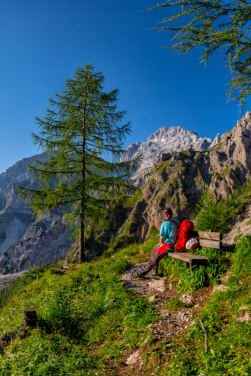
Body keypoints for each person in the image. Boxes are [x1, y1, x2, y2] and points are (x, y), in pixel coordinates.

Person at [135, 208, 180, 278]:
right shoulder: (176, 221)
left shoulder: (165, 224)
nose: (163, 216)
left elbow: (161, 238)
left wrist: (160, 244)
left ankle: (140, 273)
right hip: (176, 243)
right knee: (154, 249)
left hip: (169, 246)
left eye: (164, 214)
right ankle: (154, 272)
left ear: (166, 215)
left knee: (155, 257)